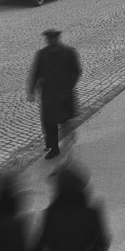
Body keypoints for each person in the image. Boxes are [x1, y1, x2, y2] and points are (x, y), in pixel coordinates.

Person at [28, 29, 83, 160]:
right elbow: (36, 72)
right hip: (48, 95)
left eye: (53, 39)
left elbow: (76, 71)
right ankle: (53, 148)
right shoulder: (41, 54)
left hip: (64, 94)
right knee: (48, 122)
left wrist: (68, 86)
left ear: (58, 39)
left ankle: (68, 140)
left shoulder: (69, 52)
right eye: (48, 39)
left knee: (65, 120)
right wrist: (31, 90)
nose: (50, 41)